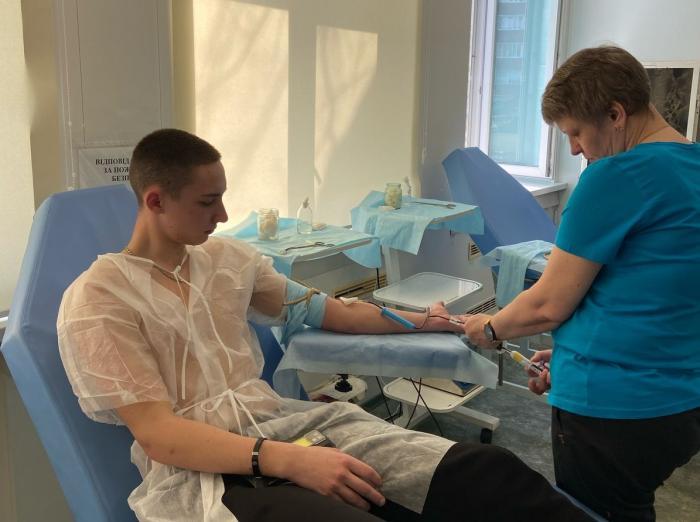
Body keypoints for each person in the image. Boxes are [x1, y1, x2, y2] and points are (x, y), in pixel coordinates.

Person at [57, 128, 593, 522]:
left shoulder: (227, 262)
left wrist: (430, 322)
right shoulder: (100, 299)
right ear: (155, 200)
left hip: (284, 427)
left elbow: (329, 311)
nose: (222, 215)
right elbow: (160, 437)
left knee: (486, 472)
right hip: (201, 475)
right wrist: (289, 461)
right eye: (207, 201)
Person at [464, 46, 700, 522]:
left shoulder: (616, 176)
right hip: (679, 403)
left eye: (575, 132)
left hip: (616, 411)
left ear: (615, 114)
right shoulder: (690, 166)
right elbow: (655, 291)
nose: (573, 149)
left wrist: (488, 328)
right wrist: (571, 352)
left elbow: (548, 305)